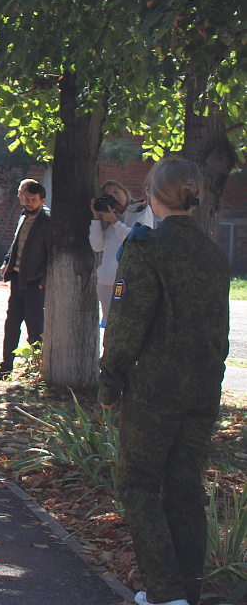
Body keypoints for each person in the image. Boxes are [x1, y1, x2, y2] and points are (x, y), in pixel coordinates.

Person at [98, 158, 229, 605]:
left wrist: (109, 380)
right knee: (186, 488)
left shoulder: (146, 248)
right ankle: (185, 593)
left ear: (152, 197)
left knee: (139, 485)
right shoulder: (213, 254)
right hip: (203, 387)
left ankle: (165, 593)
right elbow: (220, 331)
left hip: (156, 388)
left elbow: (125, 325)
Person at [0, 179, 50, 380]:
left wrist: (44, 279)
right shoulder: (23, 216)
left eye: (33, 199)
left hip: (34, 282)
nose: (28, 202)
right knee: (11, 324)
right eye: (25, 198)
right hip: (17, 279)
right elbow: (16, 243)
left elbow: (51, 253)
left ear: (42, 199)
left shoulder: (47, 220)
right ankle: (5, 368)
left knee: (35, 328)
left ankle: (37, 368)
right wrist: (7, 261)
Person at [89, 179, 150, 327]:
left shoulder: (140, 210)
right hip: (106, 282)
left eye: (117, 192)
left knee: (125, 327)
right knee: (110, 330)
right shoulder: (110, 217)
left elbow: (137, 241)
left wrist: (116, 222)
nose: (116, 198)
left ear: (125, 190)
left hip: (127, 282)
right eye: (110, 196)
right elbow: (97, 246)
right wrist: (97, 218)